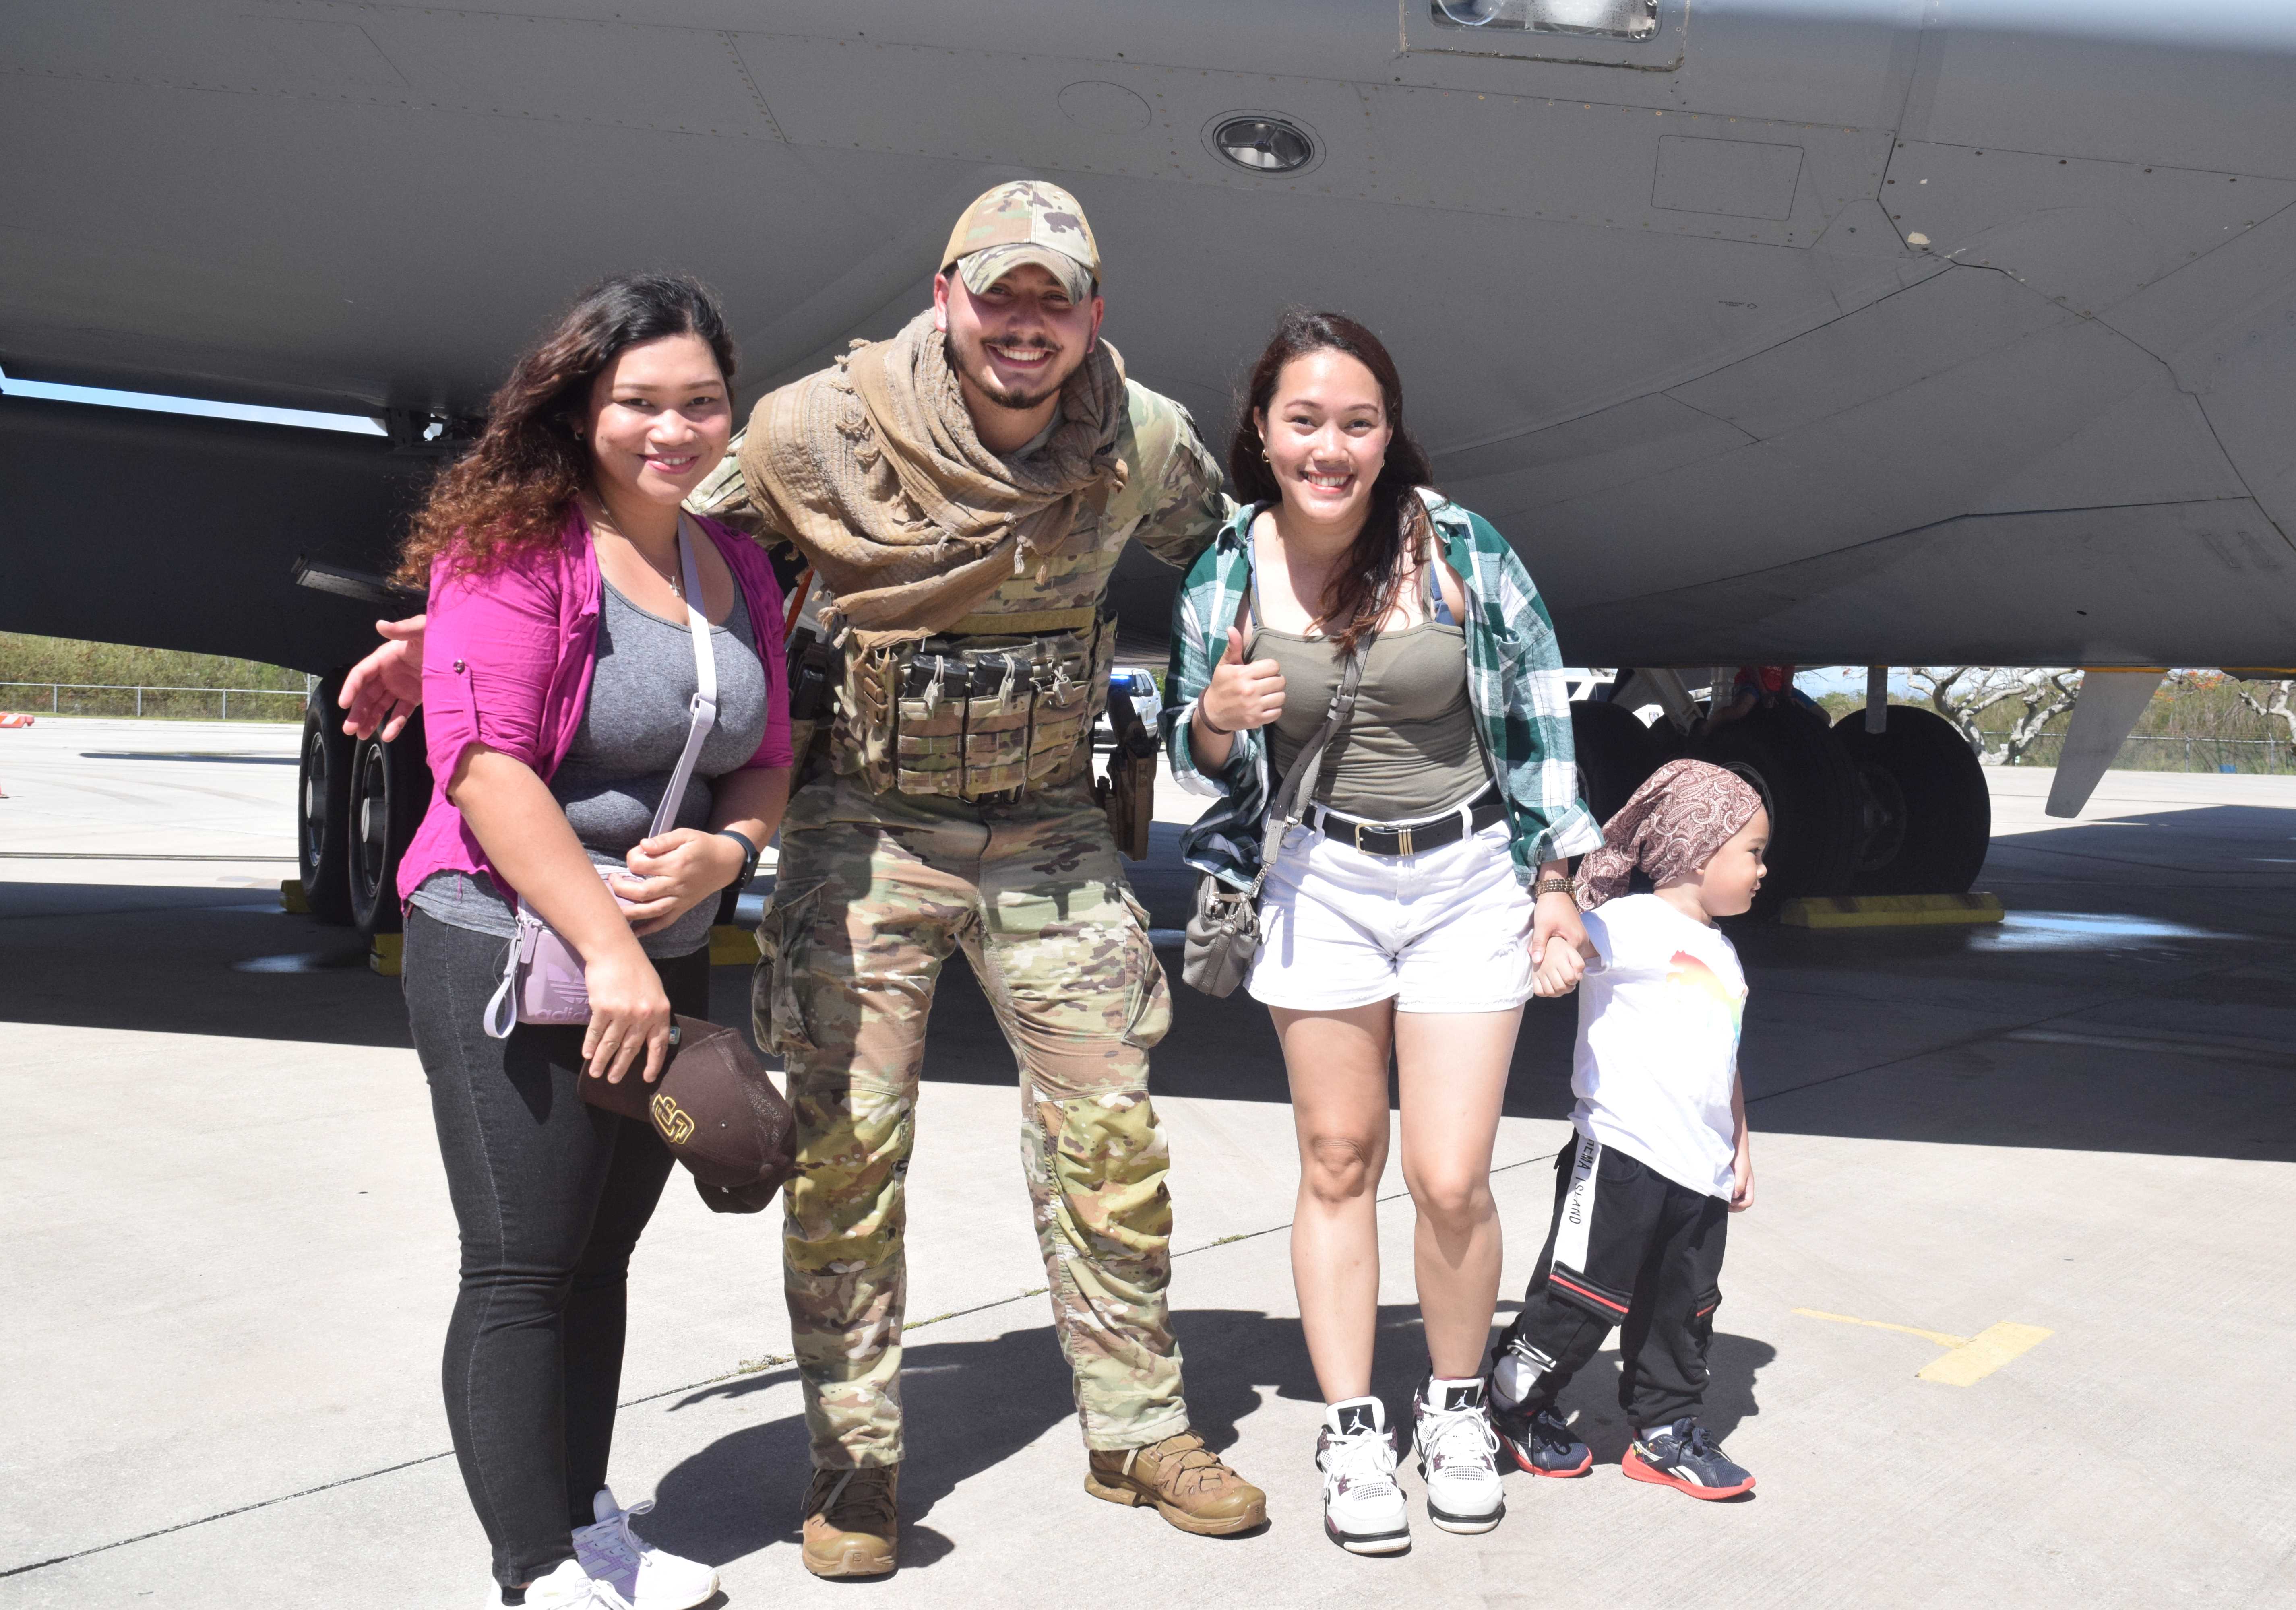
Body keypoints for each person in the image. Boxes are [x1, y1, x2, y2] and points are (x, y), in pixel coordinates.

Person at [335, 182, 1266, 1579]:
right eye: (996, 293)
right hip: (865, 829)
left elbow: (1239, 567)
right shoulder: (815, 430)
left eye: (1052, 298)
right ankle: (856, 1469)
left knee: (1112, 1145)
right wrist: (453, 633)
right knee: (841, 1153)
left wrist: (1305, 629)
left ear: (1092, 313)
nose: (1025, 323)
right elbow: (636, 525)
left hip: (1049, 832)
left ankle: (1140, 1430)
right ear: (945, 295)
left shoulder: (1140, 438)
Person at [1163, 310, 1602, 1553]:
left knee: (1450, 1175)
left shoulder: (1456, 547)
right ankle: (1353, 1423)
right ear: (1260, 431)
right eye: (1304, 421)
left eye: (1356, 422)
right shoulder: (1224, 568)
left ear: (1387, 432)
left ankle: (1454, 1406)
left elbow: (1533, 717)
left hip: (1464, 875)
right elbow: (1198, 763)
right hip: (1319, 885)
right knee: (1338, 1158)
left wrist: (1556, 881)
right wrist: (1213, 713)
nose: (1331, 446)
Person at [393, 273, 791, 1610]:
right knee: (520, 1259)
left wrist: (731, 853)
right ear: (583, 406)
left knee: (602, 1254)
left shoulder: (731, 563)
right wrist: (612, 951)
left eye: (700, 403)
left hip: (658, 946)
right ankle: (532, 1568)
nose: (672, 430)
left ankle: (585, 1521)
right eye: (639, 403)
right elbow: (487, 770)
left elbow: (768, 754)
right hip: (504, 939)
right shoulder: (516, 548)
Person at [1486, 759, 1765, 1502]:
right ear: (1699, 851)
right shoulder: (1632, 923)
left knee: (1686, 1309)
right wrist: (1552, 959)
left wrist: (1739, 1145)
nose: (1764, 870)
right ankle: (1510, 1403)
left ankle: (1665, 1431)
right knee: (1580, 1300)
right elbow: (1561, 941)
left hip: (1698, 1172)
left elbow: (1723, 1057)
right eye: (1755, 852)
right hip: (1620, 1155)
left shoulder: (1725, 954)